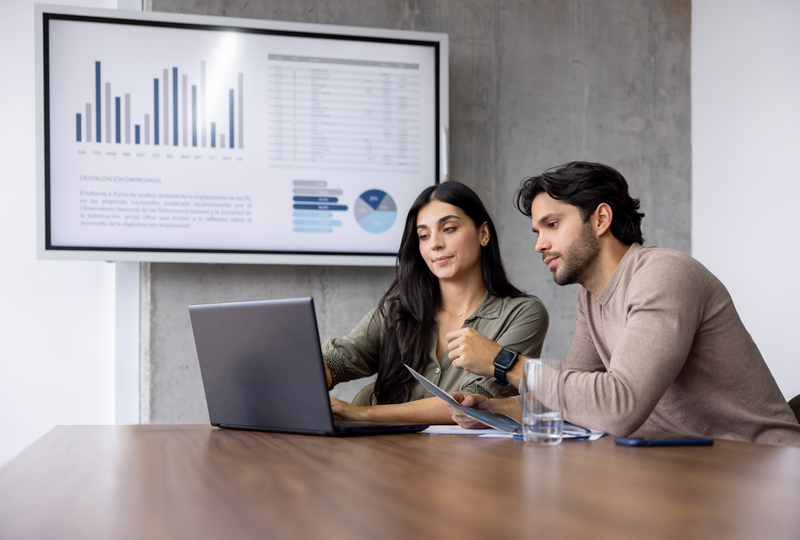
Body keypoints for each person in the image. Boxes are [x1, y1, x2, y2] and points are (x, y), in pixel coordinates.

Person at [447, 161, 800, 446]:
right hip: (690, 465)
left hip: (763, 464)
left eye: (552, 225)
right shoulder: (591, 296)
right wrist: (495, 408)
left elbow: (621, 406)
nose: (540, 244)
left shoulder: (664, 274)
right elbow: (568, 395)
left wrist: (503, 362)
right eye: (537, 232)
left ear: (601, 219)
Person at [322, 181, 549, 424]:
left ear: (483, 234)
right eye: (423, 235)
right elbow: (338, 360)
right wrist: (311, 371)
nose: (435, 244)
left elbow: (473, 402)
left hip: (465, 459)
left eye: (449, 229)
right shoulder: (396, 311)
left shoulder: (523, 314)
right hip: (380, 452)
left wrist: (363, 414)